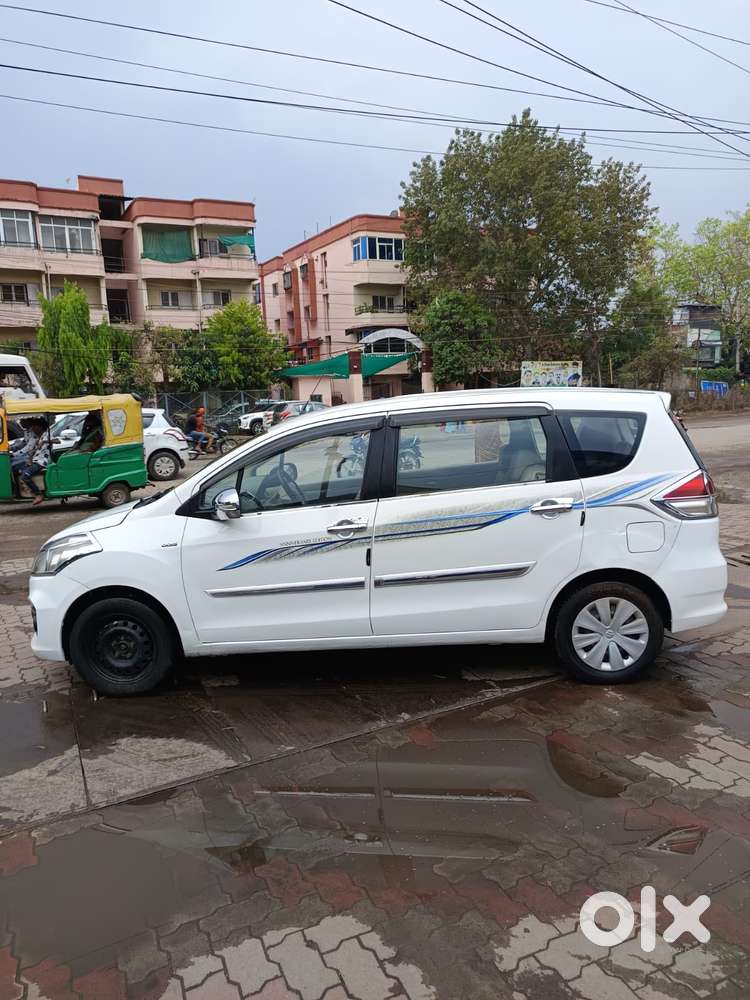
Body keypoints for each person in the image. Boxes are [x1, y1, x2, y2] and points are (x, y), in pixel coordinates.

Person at [18, 417, 50, 507]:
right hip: (35, 460)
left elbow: (57, 441)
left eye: (34, 427)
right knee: (20, 470)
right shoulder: (38, 437)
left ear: (40, 427)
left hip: (42, 462)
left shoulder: (47, 435)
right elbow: (33, 450)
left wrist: (45, 441)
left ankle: (38, 494)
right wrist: (30, 459)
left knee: (25, 476)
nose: (33, 429)